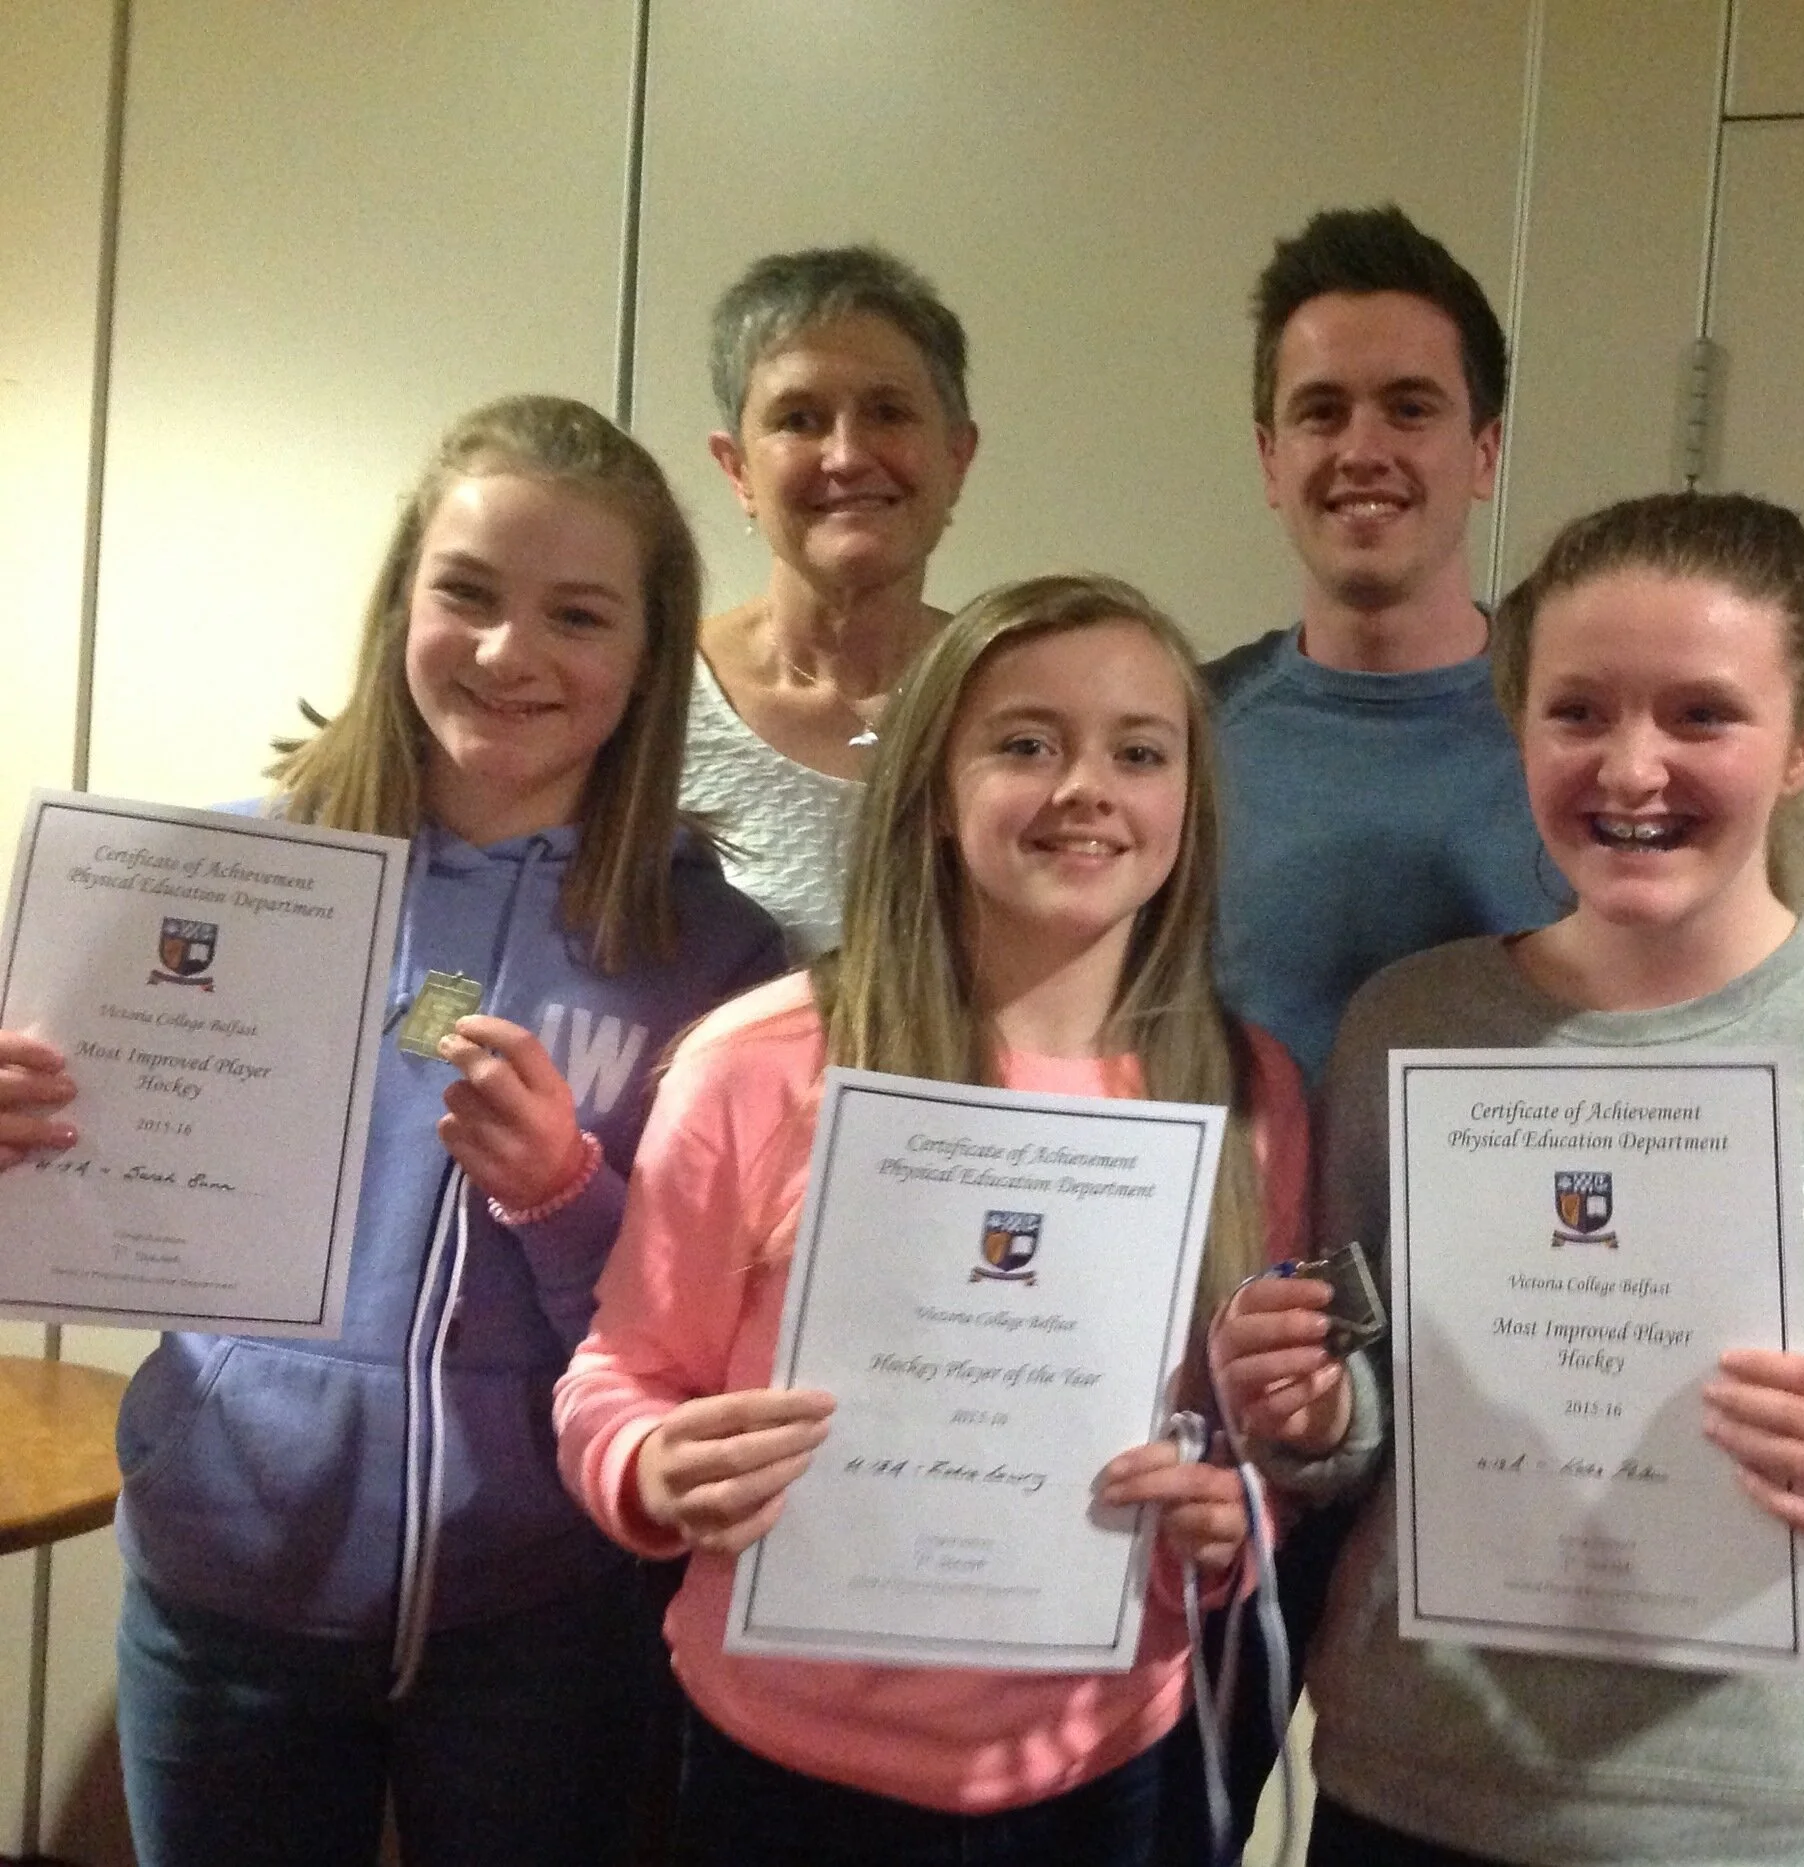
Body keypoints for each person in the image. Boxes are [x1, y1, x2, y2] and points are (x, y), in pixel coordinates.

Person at [1213, 491, 1804, 1867]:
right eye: (1579, 712)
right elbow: (1369, 1402)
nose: (1632, 766)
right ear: (1519, 727)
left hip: (1785, 1825)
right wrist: (1305, 1404)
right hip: (1415, 1798)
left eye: (1702, 714)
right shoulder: (1411, 1025)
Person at [0, 396, 786, 1866]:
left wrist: (565, 1195)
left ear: (645, 653)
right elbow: (74, 1193)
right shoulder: (222, 882)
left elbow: (712, 1328)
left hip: (545, 1612)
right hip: (231, 1570)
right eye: (468, 593)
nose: (509, 652)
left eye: (577, 613)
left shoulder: (717, 961)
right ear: (401, 605)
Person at [554, 573, 1310, 1866]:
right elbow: (620, 1374)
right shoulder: (763, 1061)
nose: (1086, 785)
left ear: (1190, 797)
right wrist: (653, 1467)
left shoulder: (1247, 1095)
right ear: (931, 785)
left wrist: (1240, 1520)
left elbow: (1251, 1436)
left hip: (1109, 1768)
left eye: (1140, 750)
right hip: (778, 1767)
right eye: (1025, 741)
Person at [1207, 203, 1553, 1092]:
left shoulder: (1590, 737)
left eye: (1409, 409)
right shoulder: (1172, 738)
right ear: (1268, 461)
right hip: (1245, 1228)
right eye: (1322, 412)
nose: (1363, 450)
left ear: (1484, 453)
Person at [683, 244, 979, 960]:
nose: (846, 455)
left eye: (888, 411)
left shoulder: (1022, 698)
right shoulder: (645, 697)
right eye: (798, 419)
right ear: (737, 470)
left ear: (957, 457)